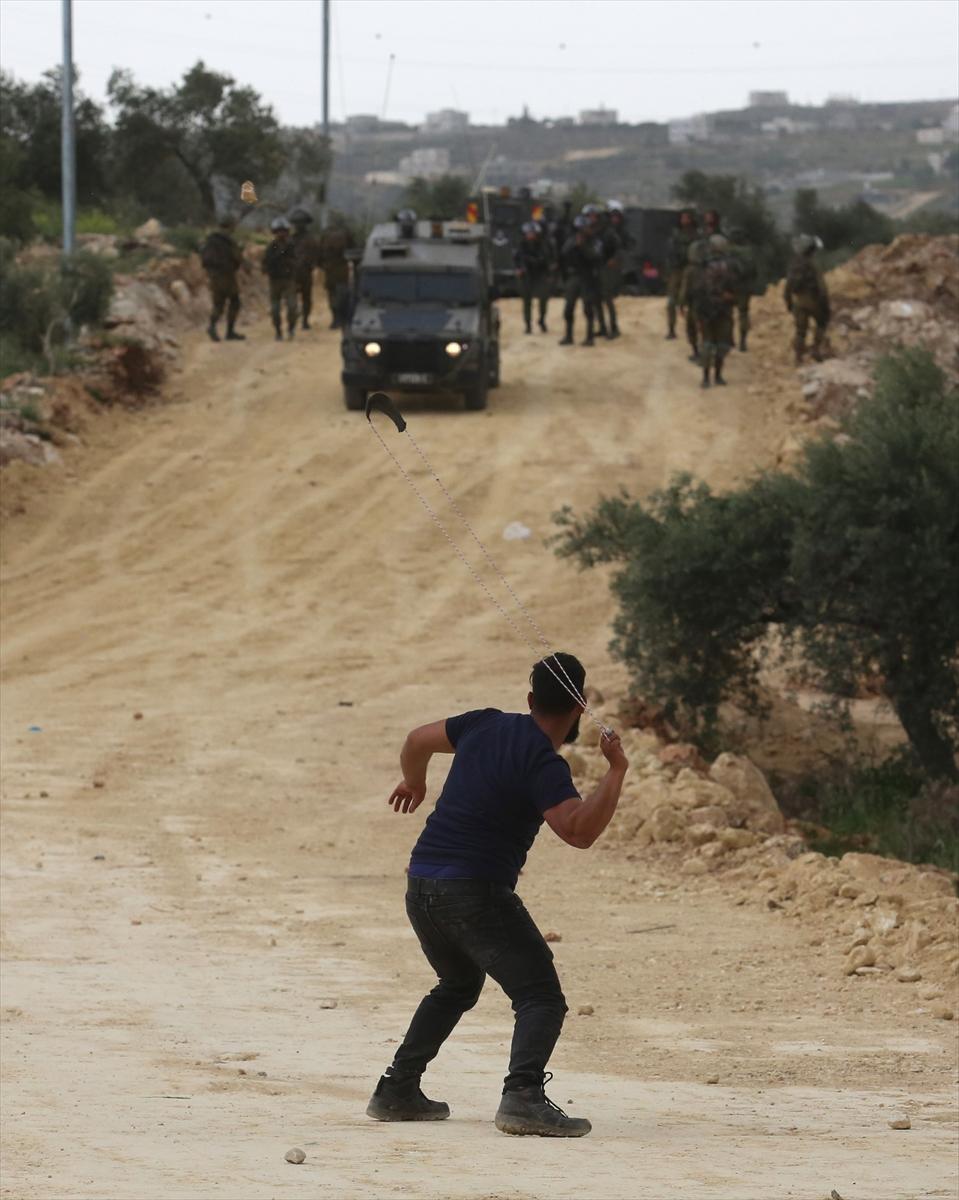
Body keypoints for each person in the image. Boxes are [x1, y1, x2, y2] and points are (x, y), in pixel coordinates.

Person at [366, 654, 629, 1137]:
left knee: (457, 985)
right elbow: (579, 831)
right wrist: (615, 772)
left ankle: (396, 1088)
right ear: (580, 707)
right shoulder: (543, 763)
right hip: (473, 891)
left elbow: (416, 740)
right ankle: (523, 1098)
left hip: (421, 883)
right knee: (541, 996)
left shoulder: (482, 723)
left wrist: (414, 780)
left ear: (530, 701)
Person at [684, 233, 737, 388]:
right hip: (716, 310)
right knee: (716, 345)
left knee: (712, 344)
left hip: (710, 310)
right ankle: (714, 376)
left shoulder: (701, 266)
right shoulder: (725, 266)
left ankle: (709, 377)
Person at [784, 234, 830, 364]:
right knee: (822, 323)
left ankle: (798, 358)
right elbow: (822, 287)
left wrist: (788, 302)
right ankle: (816, 349)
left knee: (800, 330)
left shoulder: (794, 264)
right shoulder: (813, 264)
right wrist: (824, 303)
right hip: (813, 300)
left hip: (798, 301)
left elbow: (788, 286)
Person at [199, 216, 245, 343]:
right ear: (230, 226)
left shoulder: (210, 240)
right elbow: (237, 258)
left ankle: (212, 326)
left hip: (214, 276)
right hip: (227, 276)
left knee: (218, 304)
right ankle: (229, 331)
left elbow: (204, 259)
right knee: (234, 302)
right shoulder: (229, 241)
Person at [559, 216, 602, 347]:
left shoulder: (594, 242)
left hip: (587, 277)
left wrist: (582, 246)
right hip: (574, 276)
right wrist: (575, 245)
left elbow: (595, 256)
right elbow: (564, 253)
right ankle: (568, 336)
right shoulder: (572, 240)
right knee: (568, 308)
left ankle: (590, 337)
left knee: (588, 308)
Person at [665, 209, 698, 345]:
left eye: (687, 218)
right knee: (671, 302)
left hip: (690, 269)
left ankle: (693, 331)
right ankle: (671, 329)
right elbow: (671, 252)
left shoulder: (696, 235)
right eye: (682, 218)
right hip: (677, 270)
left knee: (692, 302)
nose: (684, 220)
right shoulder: (676, 235)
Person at [599, 200, 631, 339]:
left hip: (612, 268)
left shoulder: (621, 233)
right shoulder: (604, 230)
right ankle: (602, 327)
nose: (614, 219)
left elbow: (624, 247)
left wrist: (616, 259)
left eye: (616, 217)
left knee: (607, 297)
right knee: (598, 298)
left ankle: (614, 328)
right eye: (612, 217)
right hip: (601, 266)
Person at [262, 217, 298, 341]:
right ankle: (278, 331)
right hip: (275, 280)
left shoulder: (291, 246)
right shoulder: (271, 247)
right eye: (278, 231)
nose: (281, 233)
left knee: (292, 307)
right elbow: (265, 263)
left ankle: (291, 329)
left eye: (283, 231)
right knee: (275, 309)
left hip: (289, 280)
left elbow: (297, 261)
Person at [514, 221, 553, 334]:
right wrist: (519, 269)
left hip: (540, 274)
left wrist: (547, 273)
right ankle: (528, 324)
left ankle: (542, 320)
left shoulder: (543, 245)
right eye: (528, 233)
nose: (530, 235)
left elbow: (546, 260)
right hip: (527, 276)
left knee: (543, 299)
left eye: (532, 233)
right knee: (526, 301)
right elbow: (517, 259)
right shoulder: (522, 245)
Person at [318, 217, 356, 330]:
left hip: (330, 269)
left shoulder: (325, 234)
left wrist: (321, 265)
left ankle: (336, 319)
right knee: (342, 294)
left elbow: (319, 252)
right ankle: (341, 319)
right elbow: (353, 248)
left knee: (333, 295)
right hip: (341, 268)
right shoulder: (346, 233)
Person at [727, 227, 758, 352]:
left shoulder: (729, 251)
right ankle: (743, 342)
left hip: (731, 286)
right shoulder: (749, 251)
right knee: (743, 313)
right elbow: (754, 271)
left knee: (728, 313)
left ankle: (730, 339)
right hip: (745, 287)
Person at [289, 209, 321, 331]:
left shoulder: (311, 239)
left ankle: (305, 320)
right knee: (292, 299)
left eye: (301, 222)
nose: (298, 225)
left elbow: (316, 255)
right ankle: (294, 320)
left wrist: (312, 265)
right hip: (292, 273)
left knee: (306, 298)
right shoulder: (290, 239)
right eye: (296, 223)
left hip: (306, 273)